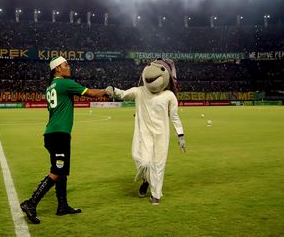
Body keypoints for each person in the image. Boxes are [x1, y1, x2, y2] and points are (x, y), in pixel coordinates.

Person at [20, 56, 110, 224]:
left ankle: (62, 206)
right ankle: (30, 203)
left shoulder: (51, 86)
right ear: (57, 69)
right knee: (57, 171)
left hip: (53, 134)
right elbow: (90, 93)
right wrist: (107, 91)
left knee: (62, 172)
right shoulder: (64, 83)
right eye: (66, 65)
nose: (69, 67)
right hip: (59, 135)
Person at [106, 59, 186, 205]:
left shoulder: (169, 96)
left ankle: (156, 195)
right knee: (143, 161)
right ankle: (146, 180)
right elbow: (123, 94)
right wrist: (113, 90)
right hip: (143, 133)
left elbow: (174, 117)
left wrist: (180, 135)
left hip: (162, 134)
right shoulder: (140, 91)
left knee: (158, 164)